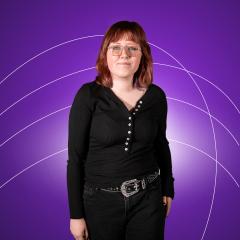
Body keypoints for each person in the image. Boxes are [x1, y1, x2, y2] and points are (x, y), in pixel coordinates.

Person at [67, 20, 175, 240]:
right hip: (100, 204)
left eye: (132, 48)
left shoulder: (157, 97)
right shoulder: (88, 96)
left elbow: (161, 145)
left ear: (142, 56)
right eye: (116, 47)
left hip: (149, 200)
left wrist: (168, 189)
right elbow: (75, 159)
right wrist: (76, 215)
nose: (124, 54)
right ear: (105, 55)